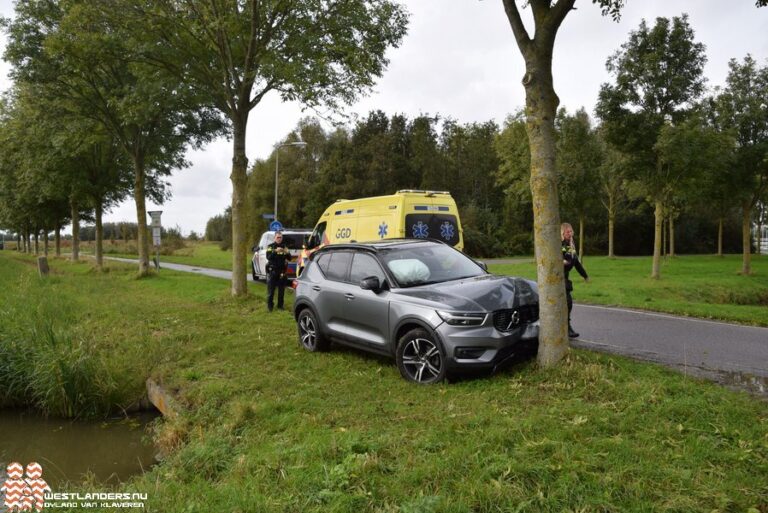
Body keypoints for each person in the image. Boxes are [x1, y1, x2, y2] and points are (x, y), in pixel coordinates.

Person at [562, 222, 588, 338]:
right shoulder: (560, 243)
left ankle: (566, 327)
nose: (570, 233)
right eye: (568, 231)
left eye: (571, 231)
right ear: (562, 232)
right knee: (567, 302)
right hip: (557, 277)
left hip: (565, 277)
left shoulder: (571, 245)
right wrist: (561, 261)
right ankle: (566, 328)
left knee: (568, 303)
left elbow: (576, 262)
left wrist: (585, 275)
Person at [266, 231, 292, 311]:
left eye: (280, 237)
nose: (279, 239)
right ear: (275, 238)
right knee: (271, 291)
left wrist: (287, 252)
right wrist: (275, 251)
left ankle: (280, 306)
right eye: (278, 237)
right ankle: (270, 307)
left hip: (282, 272)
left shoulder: (284, 247)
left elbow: (289, 258)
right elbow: (268, 257)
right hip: (273, 271)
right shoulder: (271, 246)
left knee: (281, 291)